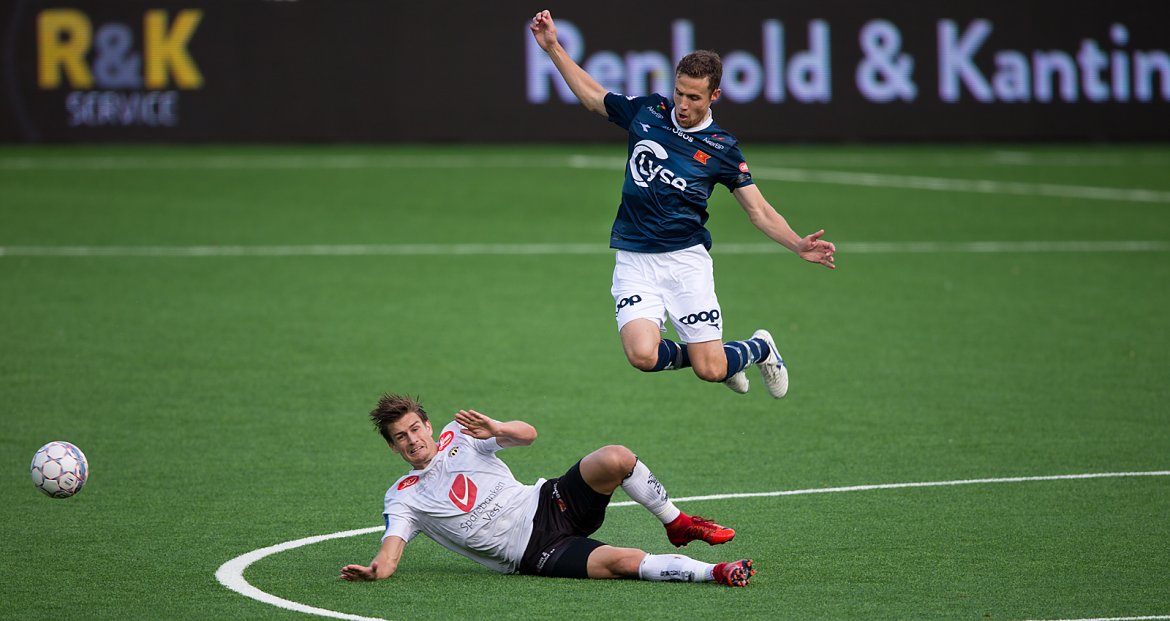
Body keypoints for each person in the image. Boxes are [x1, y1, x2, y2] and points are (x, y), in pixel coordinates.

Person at [529, 10, 836, 398]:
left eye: (694, 97)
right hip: (635, 258)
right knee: (642, 355)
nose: (684, 104)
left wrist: (797, 243)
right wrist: (553, 47)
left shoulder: (722, 148)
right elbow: (593, 97)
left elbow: (758, 210)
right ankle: (720, 355)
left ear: (714, 96)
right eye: (679, 92)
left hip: (684, 262)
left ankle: (759, 348)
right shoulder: (649, 112)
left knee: (710, 370)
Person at [340, 394, 756, 587]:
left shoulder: (459, 435)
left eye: (415, 429)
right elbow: (391, 550)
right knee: (624, 562)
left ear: (427, 426)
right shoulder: (404, 495)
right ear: (393, 447)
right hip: (534, 551)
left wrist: (500, 429)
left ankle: (678, 523)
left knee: (615, 457)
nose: (412, 440)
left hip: (548, 501)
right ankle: (715, 573)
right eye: (401, 437)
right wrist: (377, 570)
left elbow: (529, 436)